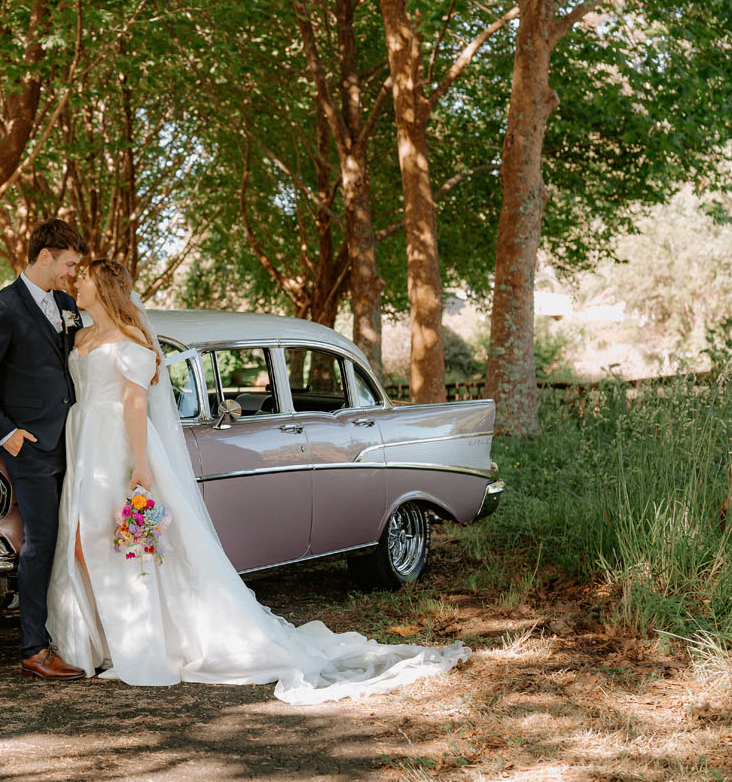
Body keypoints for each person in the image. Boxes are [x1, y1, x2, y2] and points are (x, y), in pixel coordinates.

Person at [47, 259, 470, 703]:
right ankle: (105, 643)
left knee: (113, 541)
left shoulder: (131, 341)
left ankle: (136, 645)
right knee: (81, 539)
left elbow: (135, 406)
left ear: (106, 288)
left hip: (118, 445)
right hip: (84, 442)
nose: (78, 283)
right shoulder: (81, 335)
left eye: (86, 278)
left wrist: (140, 466)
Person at [0, 218, 89, 679]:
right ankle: (34, 648)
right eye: (68, 265)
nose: (72, 274)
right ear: (44, 257)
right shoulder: (2, 308)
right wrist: (8, 433)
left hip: (75, 440)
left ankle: (71, 630)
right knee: (41, 541)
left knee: (74, 536)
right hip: (31, 446)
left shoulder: (65, 304)